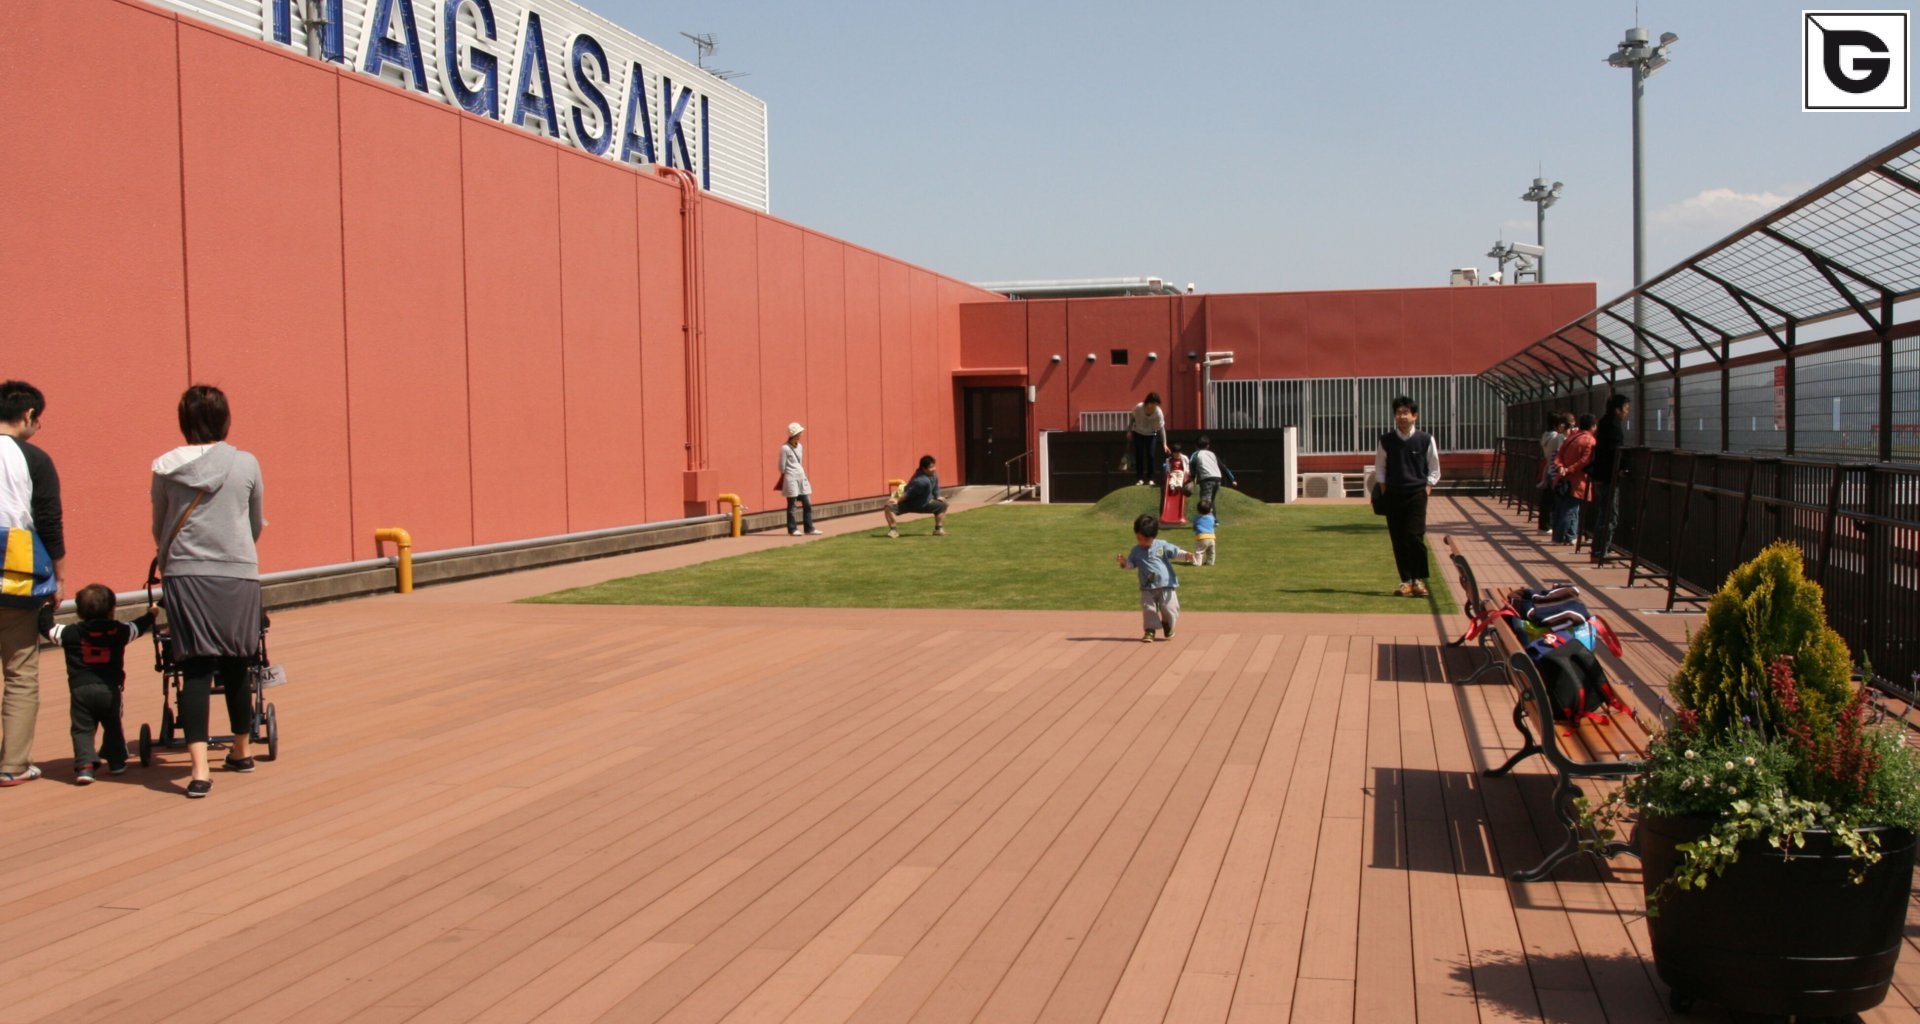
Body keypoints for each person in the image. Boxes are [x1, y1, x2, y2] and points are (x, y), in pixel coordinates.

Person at [152, 385, 264, 799]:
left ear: (184, 421)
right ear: (225, 419)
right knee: (238, 661)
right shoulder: (246, 462)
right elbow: (254, 522)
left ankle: (199, 770)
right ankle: (241, 749)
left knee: (195, 667)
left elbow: (159, 525)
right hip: (238, 572)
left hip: (186, 572)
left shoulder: (165, 466)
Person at [0, 380, 65, 788]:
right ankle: (13, 764)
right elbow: (49, 522)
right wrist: (59, 576)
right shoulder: (35, 460)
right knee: (20, 671)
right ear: (28, 415)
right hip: (16, 572)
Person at [38, 585, 155, 784]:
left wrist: (48, 606)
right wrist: (152, 614)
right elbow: (138, 626)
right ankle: (116, 762)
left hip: (80, 690)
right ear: (112, 610)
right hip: (110, 689)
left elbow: (46, 628)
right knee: (113, 724)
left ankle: (85, 766)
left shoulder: (71, 632)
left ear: (79, 612)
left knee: (82, 729)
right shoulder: (119, 630)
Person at [1371, 394, 1441, 597]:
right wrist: (1384, 488)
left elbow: (1434, 467)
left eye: (1406, 412)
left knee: (1415, 536)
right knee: (1398, 538)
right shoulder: (1386, 440)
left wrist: (1427, 487)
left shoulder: (1425, 439)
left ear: (1414, 416)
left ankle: (1419, 580)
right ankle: (1406, 581)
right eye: (1398, 413)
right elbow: (1380, 467)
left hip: (1417, 494)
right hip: (1393, 494)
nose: (1402, 416)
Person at [1116, 513, 1198, 642]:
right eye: (1139, 538)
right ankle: (1150, 630)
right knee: (1148, 609)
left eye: (1145, 539)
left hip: (1166, 585)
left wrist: (1186, 555)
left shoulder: (1162, 545)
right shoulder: (1136, 551)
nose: (1142, 542)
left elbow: (1175, 553)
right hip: (1147, 587)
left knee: (1170, 607)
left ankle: (1167, 624)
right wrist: (1124, 563)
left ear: (1153, 536)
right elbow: (1131, 565)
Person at [1588, 395, 1631, 566]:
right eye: (1625, 408)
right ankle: (1600, 552)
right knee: (1610, 516)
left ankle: (1599, 550)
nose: (1627, 412)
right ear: (1617, 409)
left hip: (1599, 474)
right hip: (1608, 476)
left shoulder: (1604, 423)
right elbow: (1615, 450)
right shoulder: (1614, 426)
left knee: (1604, 513)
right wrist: (1623, 466)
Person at [1551, 414, 1598, 546]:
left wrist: (1561, 467)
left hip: (1562, 479)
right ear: (1592, 426)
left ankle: (1570, 535)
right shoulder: (1590, 440)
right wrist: (1569, 469)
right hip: (1577, 480)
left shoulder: (1572, 437)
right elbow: (1584, 461)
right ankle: (1560, 537)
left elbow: (1559, 455)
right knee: (1570, 509)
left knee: (1563, 508)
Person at [885, 455, 949, 538]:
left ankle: (938, 529)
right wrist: (897, 500)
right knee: (888, 506)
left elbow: (936, 486)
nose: (933, 469)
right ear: (924, 469)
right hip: (909, 503)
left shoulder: (934, 474)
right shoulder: (921, 481)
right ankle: (893, 530)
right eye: (930, 467)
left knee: (943, 504)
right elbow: (908, 494)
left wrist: (937, 496)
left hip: (925, 504)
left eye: (934, 466)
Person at [777, 422, 821, 537]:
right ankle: (792, 529)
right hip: (791, 479)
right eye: (799, 433)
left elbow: (799, 462)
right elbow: (781, 467)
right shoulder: (785, 448)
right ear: (794, 434)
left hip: (801, 478)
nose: (801, 435)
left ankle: (809, 528)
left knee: (807, 503)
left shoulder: (800, 446)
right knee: (792, 505)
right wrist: (790, 472)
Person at [1537, 412, 1569, 533]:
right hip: (1556, 470)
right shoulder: (1557, 437)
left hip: (1548, 468)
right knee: (1555, 501)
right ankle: (1550, 526)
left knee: (1547, 499)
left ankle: (1544, 524)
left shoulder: (1546, 435)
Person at [1127, 393, 1168, 486]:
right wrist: (1129, 431)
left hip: (1151, 434)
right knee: (1139, 455)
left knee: (1151, 455)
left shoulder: (1158, 412)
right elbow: (1132, 418)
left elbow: (1161, 428)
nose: (1154, 406)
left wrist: (1164, 443)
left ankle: (1151, 478)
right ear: (1148, 402)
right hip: (1138, 433)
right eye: (1153, 404)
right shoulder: (1139, 407)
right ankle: (1139, 478)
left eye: (1156, 404)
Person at [1188, 436, 1236, 510]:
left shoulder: (1196, 454)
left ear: (1196, 446)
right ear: (1208, 445)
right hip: (1217, 479)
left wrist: (1192, 479)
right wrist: (1232, 479)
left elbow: (1192, 466)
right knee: (1211, 502)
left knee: (1205, 502)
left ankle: (1206, 517)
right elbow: (1222, 467)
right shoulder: (1212, 454)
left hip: (1206, 479)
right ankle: (1213, 517)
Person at [1159, 445, 1190, 525]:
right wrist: (1168, 472)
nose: (1176, 455)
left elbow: (1187, 465)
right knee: (1172, 478)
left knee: (1180, 478)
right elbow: (1167, 467)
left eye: (1178, 454)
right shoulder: (1169, 459)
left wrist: (1187, 472)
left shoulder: (1184, 458)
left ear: (1180, 453)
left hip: (1181, 472)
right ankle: (1172, 486)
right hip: (1173, 472)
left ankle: (1178, 486)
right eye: (1175, 454)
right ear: (1172, 453)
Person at [1192, 499, 1218, 566]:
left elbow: (1194, 527)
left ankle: (1198, 562)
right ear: (1210, 510)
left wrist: (1195, 529)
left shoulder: (1197, 519)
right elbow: (1215, 524)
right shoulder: (1212, 518)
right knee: (1211, 552)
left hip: (1202, 537)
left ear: (1198, 510)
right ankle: (1210, 562)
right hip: (1212, 537)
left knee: (1200, 551)